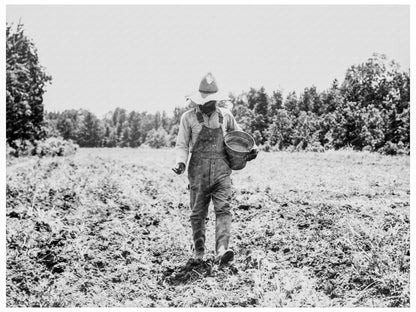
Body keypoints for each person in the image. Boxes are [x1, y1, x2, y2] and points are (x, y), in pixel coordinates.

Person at [172, 73, 258, 264]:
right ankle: (199, 253)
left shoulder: (226, 116)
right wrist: (180, 162)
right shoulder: (188, 118)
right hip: (198, 173)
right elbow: (182, 144)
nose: (207, 104)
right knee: (197, 213)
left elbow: (240, 138)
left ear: (217, 100)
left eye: (211, 101)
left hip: (222, 171)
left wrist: (252, 149)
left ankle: (222, 250)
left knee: (224, 210)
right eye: (204, 101)